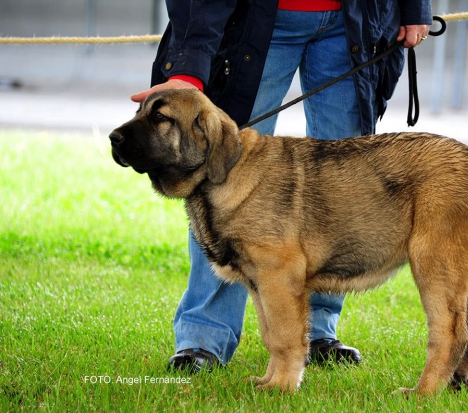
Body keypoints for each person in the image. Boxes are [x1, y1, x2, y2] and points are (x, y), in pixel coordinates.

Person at [132, 0, 432, 373]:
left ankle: (317, 332)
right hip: (256, 16)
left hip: (355, 17)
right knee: (221, 176)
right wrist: (189, 71)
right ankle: (204, 338)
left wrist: (415, 6)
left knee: (343, 191)